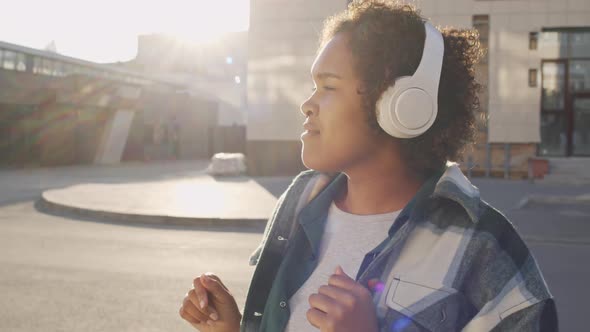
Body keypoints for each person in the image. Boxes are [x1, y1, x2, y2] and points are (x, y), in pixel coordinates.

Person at [179, 1, 558, 331]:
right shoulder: (299, 202)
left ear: (402, 103)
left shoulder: (485, 246)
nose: (306, 104)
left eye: (328, 86)